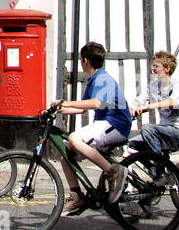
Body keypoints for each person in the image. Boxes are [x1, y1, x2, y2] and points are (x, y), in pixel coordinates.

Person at [51, 42, 130, 206]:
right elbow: (81, 109)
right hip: (104, 124)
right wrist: (57, 110)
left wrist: (65, 102)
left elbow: (96, 104)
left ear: (85, 60)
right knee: (66, 154)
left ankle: (114, 171)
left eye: (81, 59)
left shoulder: (103, 78)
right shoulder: (94, 79)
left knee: (74, 138)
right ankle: (77, 195)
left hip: (115, 124)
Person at [129, 50, 179, 155]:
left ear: (167, 69)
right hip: (162, 131)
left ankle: (159, 164)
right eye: (152, 66)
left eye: (156, 66)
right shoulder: (153, 86)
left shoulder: (177, 85)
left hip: (177, 132)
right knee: (132, 144)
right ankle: (154, 170)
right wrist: (130, 110)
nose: (153, 69)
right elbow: (138, 101)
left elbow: (174, 102)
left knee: (147, 128)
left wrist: (148, 107)